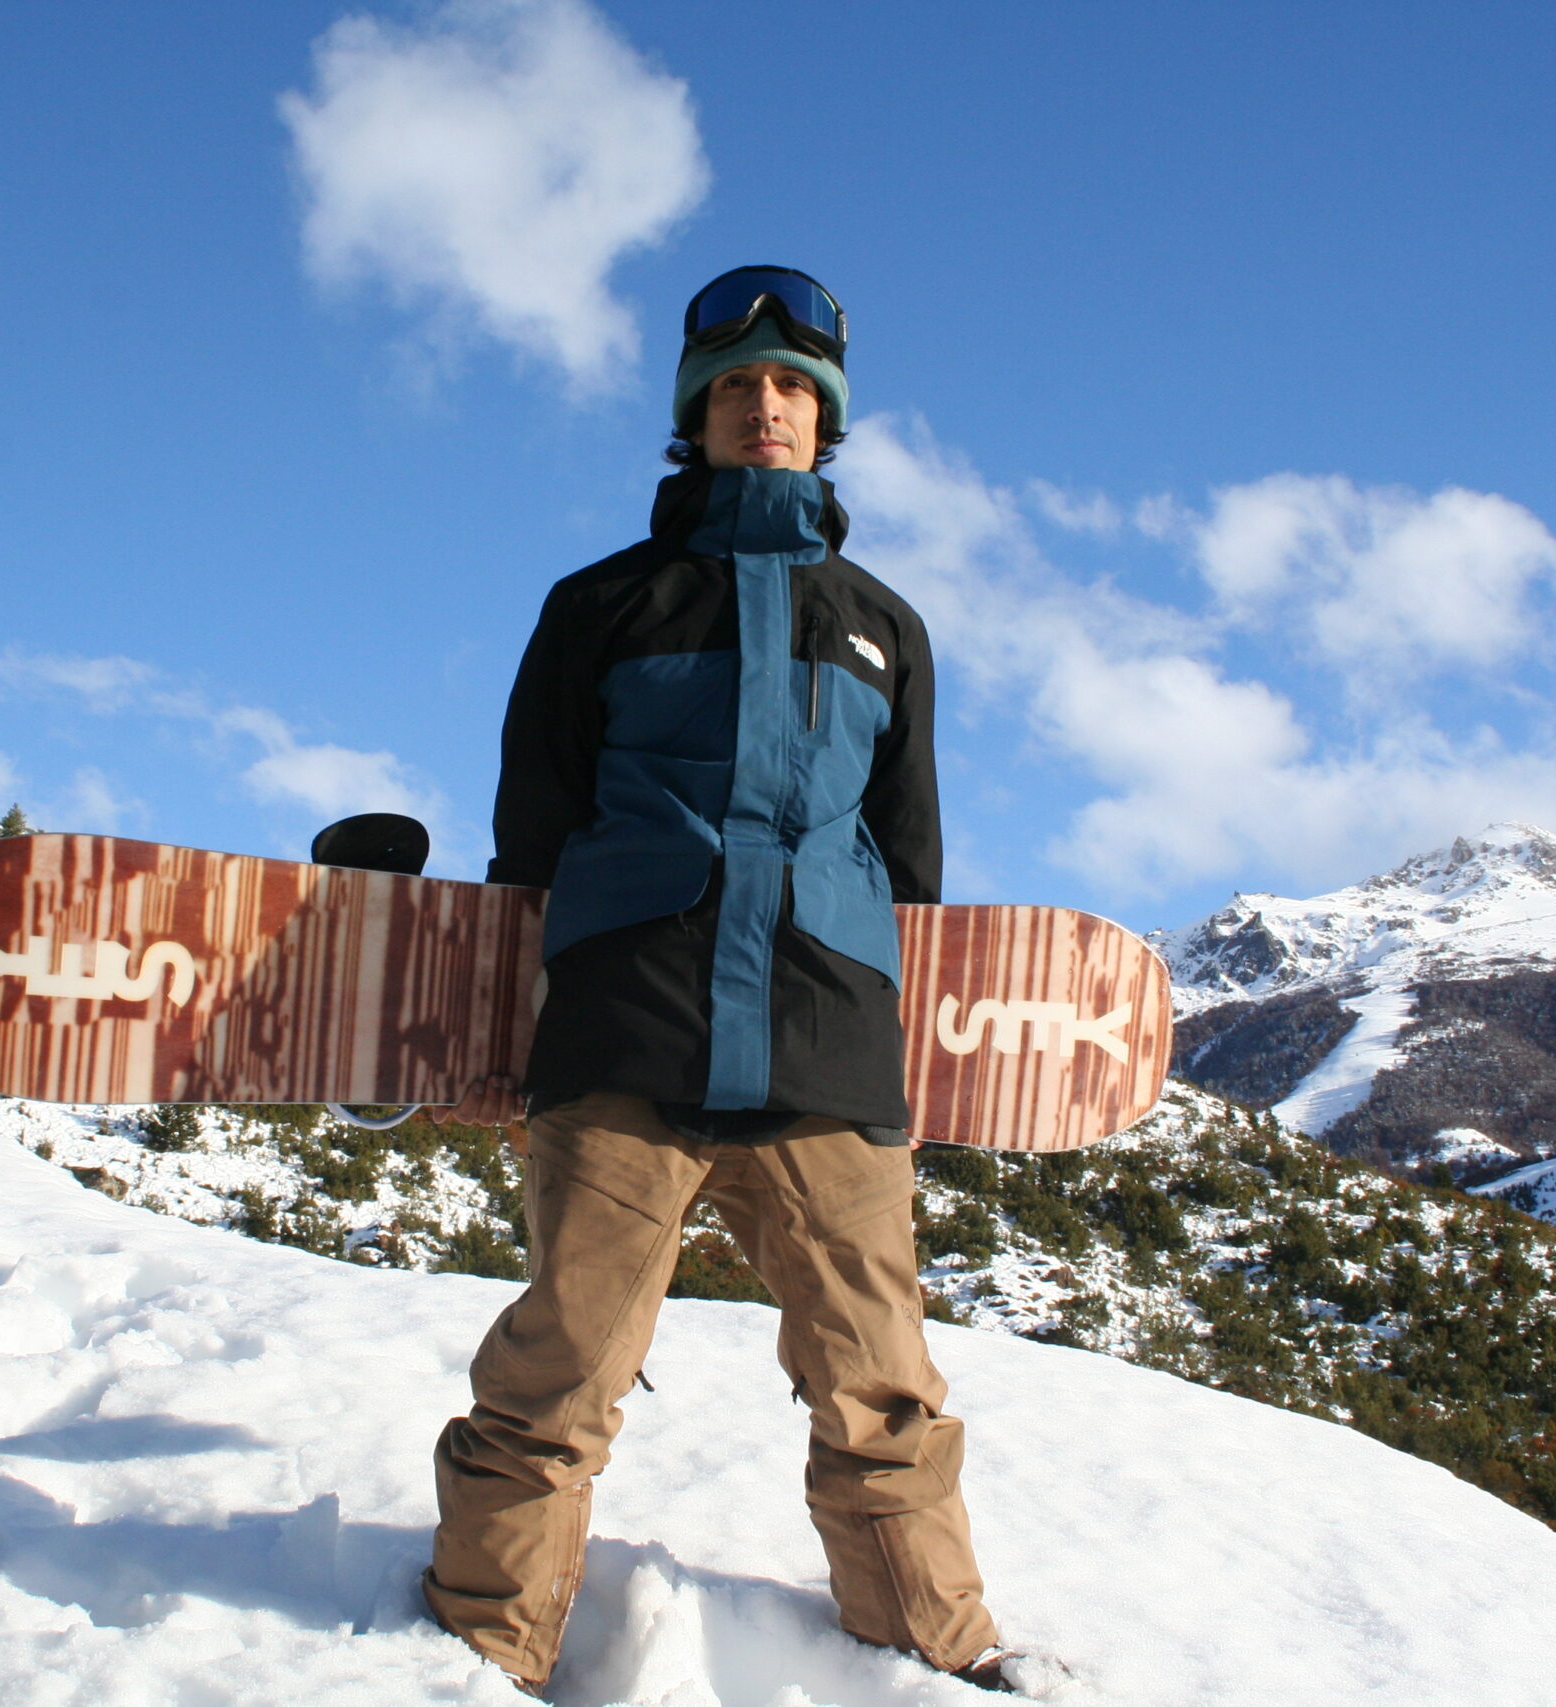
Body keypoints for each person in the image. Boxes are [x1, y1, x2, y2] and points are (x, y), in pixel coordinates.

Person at [425, 267, 1028, 1697]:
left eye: (795, 391)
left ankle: (933, 1662)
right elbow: (535, 835)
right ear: (692, 418)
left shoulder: (886, 625)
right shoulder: (602, 606)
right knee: (558, 1374)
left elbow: (912, 856)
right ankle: (477, 1656)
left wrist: (902, 1049)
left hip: (826, 1047)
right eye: (739, 389)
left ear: (828, 424)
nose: (767, 409)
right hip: (630, 1032)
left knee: (881, 1387)